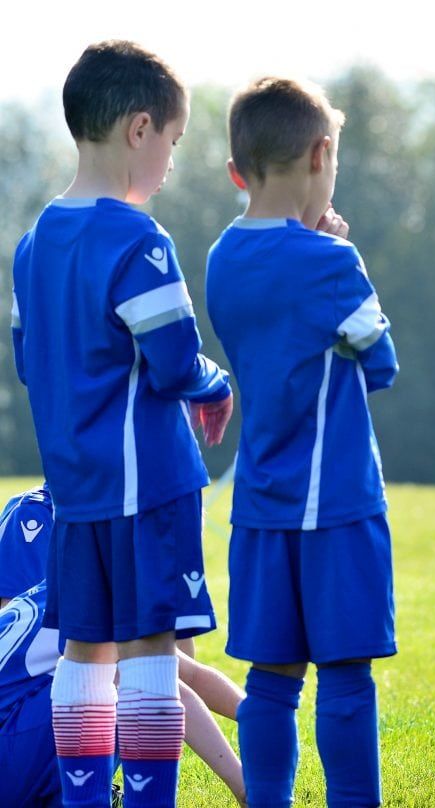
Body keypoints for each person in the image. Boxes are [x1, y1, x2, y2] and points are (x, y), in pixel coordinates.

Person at [10, 40, 234, 807]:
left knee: (83, 653)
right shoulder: (140, 239)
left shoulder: (32, 245)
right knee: (147, 652)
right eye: (172, 142)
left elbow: (31, 365)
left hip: (74, 494)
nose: (171, 161)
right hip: (149, 488)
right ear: (140, 129)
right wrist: (214, 383)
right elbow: (175, 363)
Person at [207, 76, 398, 807]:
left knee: (271, 679)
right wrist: (342, 257)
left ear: (237, 171)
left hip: (259, 504)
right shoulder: (331, 262)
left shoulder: (221, 258)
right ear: (322, 155)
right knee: (346, 677)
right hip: (338, 504)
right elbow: (379, 364)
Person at [0, 484, 248, 806]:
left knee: (117, 681)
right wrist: (241, 782)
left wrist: (263, 716)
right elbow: (168, 689)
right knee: (126, 687)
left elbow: (192, 674)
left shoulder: (89, 580)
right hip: (9, 743)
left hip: (18, 732)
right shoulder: (105, 598)